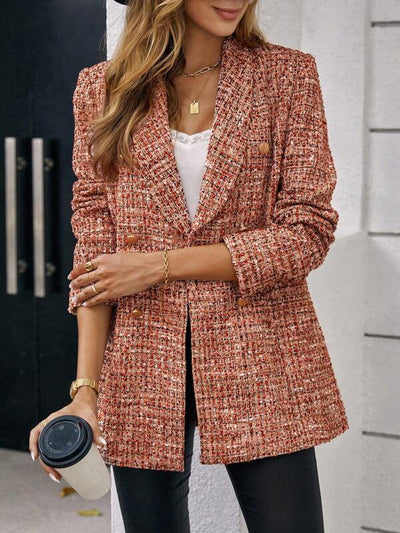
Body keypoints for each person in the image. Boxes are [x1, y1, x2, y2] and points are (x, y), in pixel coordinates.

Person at [29, 1, 349, 531]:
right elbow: (95, 254)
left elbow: (307, 231)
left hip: (262, 355)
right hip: (141, 363)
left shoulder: (286, 77)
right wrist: (85, 391)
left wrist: (161, 265)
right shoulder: (101, 89)